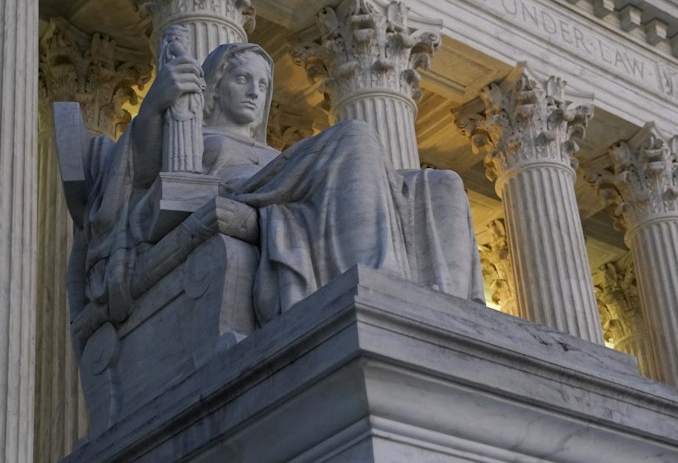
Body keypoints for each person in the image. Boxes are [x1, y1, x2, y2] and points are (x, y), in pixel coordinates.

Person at [72, 36, 483, 330]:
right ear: (213, 88)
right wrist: (155, 106)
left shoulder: (275, 154)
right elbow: (140, 180)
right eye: (241, 80)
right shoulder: (188, 135)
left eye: (263, 84)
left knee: (443, 184)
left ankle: (448, 309)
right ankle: (383, 290)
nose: (255, 92)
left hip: (292, 195)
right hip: (244, 193)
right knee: (355, 135)